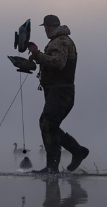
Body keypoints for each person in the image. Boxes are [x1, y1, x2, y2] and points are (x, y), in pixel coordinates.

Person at [25, 14, 88, 173]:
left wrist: (38, 54)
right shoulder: (59, 41)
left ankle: (53, 167)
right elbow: (54, 61)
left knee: (48, 124)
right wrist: (37, 56)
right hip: (58, 92)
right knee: (47, 124)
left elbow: (58, 63)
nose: (45, 30)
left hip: (61, 92)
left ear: (48, 27)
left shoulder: (60, 41)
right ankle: (77, 151)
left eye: (45, 27)